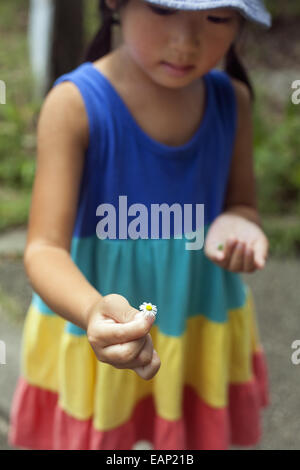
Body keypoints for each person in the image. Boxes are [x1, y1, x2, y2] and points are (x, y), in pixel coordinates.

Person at [8, 0, 272, 450]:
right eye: (164, 10)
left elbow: (242, 204)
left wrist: (240, 225)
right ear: (116, 3)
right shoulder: (74, 105)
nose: (186, 41)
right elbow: (43, 249)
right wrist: (92, 311)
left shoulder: (233, 102)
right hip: (91, 327)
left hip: (197, 323)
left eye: (217, 18)